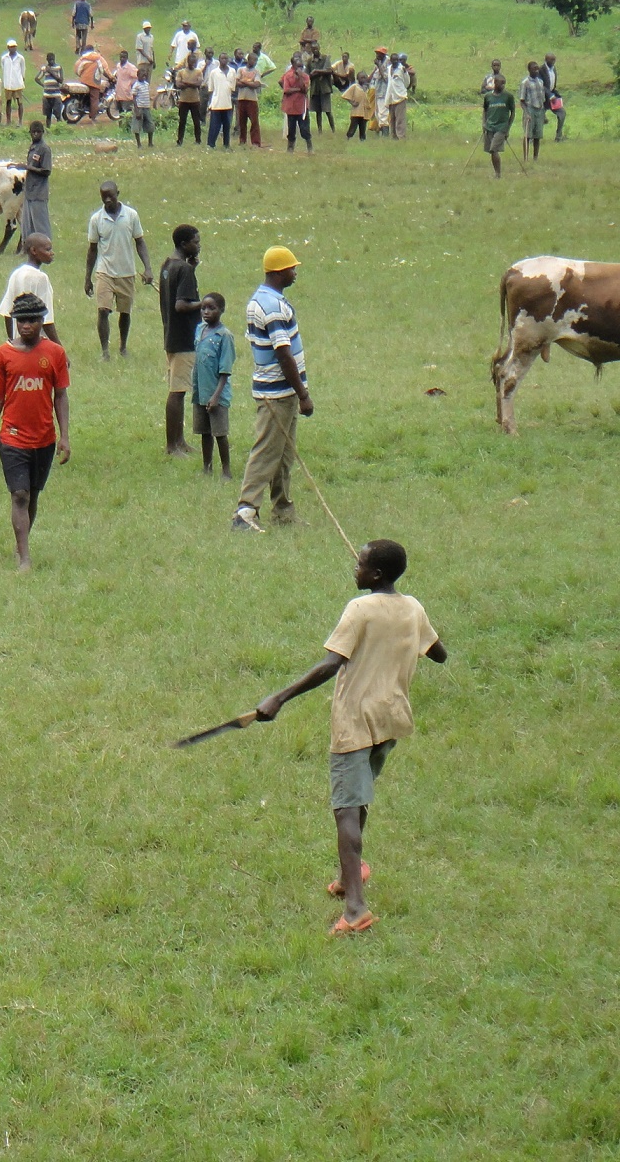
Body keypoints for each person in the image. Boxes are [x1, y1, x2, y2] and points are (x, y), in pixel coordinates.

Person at [254, 540, 446, 935]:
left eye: (359, 564)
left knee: (345, 808)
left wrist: (279, 698)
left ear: (375, 575)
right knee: (358, 798)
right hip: (391, 718)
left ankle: (356, 906)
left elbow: (330, 664)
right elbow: (438, 653)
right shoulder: (413, 607)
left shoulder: (360, 609)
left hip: (356, 721)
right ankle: (349, 875)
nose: (353, 568)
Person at [0, 293, 70, 572]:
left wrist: (64, 436)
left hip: (44, 439)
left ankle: (22, 543)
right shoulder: (2, 354)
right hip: (12, 439)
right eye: (21, 320)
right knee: (19, 495)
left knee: (33, 494)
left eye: (32, 320)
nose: (26, 325)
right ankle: (24, 558)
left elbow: (61, 396)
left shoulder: (55, 353)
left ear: (42, 321)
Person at [233, 246, 311, 533]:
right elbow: (283, 353)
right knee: (267, 452)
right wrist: (303, 394)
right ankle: (245, 512)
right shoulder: (273, 307)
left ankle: (283, 511)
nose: (295, 272)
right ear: (279, 272)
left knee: (284, 455)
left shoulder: (261, 299)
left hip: (281, 391)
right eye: (292, 268)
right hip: (278, 393)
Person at [83, 180, 153, 360]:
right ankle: (105, 351)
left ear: (118, 194)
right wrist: (87, 278)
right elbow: (92, 250)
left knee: (125, 312)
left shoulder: (131, 216)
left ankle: (123, 347)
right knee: (103, 310)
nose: (107, 200)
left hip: (126, 271)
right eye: (103, 197)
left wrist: (148, 268)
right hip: (104, 271)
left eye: (111, 196)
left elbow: (140, 242)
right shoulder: (97, 219)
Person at [158, 224, 201, 456]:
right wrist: (203, 303)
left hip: (171, 335)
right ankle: (172, 445)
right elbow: (181, 304)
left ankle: (180, 441)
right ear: (184, 244)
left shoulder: (168, 265)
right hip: (184, 338)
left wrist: (191, 269)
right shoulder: (183, 269)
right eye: (196, 242)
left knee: (179, 389)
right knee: (178, 391)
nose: (199, 245)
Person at [192, 291, 234, 477]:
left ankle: (226, 470)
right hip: (200, 390)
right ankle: (207, 467)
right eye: (203, 308)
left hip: (217, 392)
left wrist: (216, 396)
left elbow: (225, 370)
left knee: (220, 433)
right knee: (204, 432)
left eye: (211, 308)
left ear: (221, 310)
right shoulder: (200, 330)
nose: (206, 312)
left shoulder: (224, 336)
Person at [20, 121, 51, 250]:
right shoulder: (33, 147)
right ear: (30, 133)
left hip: (39, 192)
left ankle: (46, 248)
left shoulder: (44, 149)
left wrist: (28, 167)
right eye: (33, 132)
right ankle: (27, 249)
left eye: (38, 132)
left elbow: (46, 171)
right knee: (27, 224)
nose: (36, 134)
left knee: (41, 224)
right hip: (29, 192)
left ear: (43, 133)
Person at [480, 74, 516, 179]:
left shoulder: (508, 97)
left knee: (493, 149)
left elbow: (512, 112)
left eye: (504, 84)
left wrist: (507, 128)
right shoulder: (488, 97)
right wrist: (484, 123)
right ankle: (497, 172)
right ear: (495, 83)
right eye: (501, 84)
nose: (503, 86)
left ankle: (498, 174)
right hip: (490, 126)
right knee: (491, 151)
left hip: (502, 127)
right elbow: (485, 110)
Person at [282, 54, 312, 153]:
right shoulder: (288, 76)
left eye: (301, 66)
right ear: (293, 66)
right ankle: (290, 148)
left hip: (302, 107)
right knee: (291, 129)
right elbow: (286, 90)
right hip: (291, 107)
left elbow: (305, 90)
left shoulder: (306, 77)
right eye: (298, 66)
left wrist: (300, 78)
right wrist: (298, 89)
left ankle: (309, 146)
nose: (300, 68)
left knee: (304, 129)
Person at [174, 50, 204, 145]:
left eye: (194, 62)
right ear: (188, 61)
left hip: (195, 100)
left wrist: (186, 83)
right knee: (182, 121)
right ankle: (180, 140)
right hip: (184, 100)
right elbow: (178, 85)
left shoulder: (198, 72)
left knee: (196, 121)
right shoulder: (181, 72)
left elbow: (198, 84)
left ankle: (198, 140)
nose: (193, 64)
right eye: (191, 61)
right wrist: (192, 84)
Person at [205, 55, 235, 149]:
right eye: (222, 58)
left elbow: (232, 88)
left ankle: (226, 145)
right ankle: (211, 144)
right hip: (216, 103)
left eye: (226, 58)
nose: (224, 60)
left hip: (228, 104)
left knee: (227, 126)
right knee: (214, 126)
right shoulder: (214, 72)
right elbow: (210, 89)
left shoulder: (232, 71)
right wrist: (210, 103)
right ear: (219, 60)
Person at [233, 53, 262, 147]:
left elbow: (256, 85)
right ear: (248, 60)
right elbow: (236, 83)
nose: (254, 62)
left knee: (254, 121)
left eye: (256, 60)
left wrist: (244, 81)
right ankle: (242, 140)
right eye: (253, 60)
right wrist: (250, 83)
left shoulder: (257, 71)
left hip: (252, 99)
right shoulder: (241, 70)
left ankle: (255, 142)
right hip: (241, 98)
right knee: (241, 121)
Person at [519, 61, 546, 162]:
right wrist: (527, 113)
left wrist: (544, 115)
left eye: (537, 68)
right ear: (529, 69)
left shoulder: (540, 82)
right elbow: (522, 101)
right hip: (530, 109)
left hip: (540, 109)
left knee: (537, 136)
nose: (536, 70)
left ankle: (535, 158)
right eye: (534, 68)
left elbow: (542, 98)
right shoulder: (525, 82)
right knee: (527, 135)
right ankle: (525, 158)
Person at [72, 43, 107, 120]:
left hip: (84, 80)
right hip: (94, 82)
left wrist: (81, 75)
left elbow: (77, 69)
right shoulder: (98, 58)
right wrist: (109, 77)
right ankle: (93, 116)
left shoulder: (83, 58)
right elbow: (103, 69)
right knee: (95, 99)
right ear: (93, 50)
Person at [0, 40, 26, 124]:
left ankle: (20, 121)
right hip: (8, 84)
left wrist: (22, 79)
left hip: (18, 84)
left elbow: (23, 70)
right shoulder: (4, 58)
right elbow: (3, 69)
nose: (13, 48)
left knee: (19, 103)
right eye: (11, 47)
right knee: (8, 102)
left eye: (14, 46)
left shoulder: (20, 58)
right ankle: (8, 121)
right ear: (8, 48)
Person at [384, 55, 410, 141]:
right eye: (393, 60)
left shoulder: (402, 69)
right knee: (392, 119)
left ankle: (401, 137)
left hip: (400, 96)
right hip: (391, 97)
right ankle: (394, 137)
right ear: (390, 60)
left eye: (396, 60)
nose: (395, 62)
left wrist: (401, 89)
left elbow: (407, 82)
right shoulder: (388, 68)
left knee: (400, 119)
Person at [341, 69, 372, 141]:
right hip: (356, 112)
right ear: (357, 79)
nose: (363, 79)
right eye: (361, 77)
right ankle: (348, 137)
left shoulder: (367, 88)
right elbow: (345, 95)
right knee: (353, 126)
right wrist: (352, 102)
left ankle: (362, 139)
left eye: (364, 77)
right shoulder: (355, 86)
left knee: (363, 127)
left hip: (364, 112)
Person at [309, 51, 335, 134]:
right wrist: (316, 74)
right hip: (315, 88)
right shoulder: (310, 61)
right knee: (318, 111)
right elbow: (307, 74)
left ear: (319, 48)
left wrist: (317, 71)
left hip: (325, 88)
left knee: (327, 110)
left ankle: (333, 129)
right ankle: (319, 130)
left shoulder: (325, 58)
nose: (315, 50)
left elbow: (329, 71)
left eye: (316, 48)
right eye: (313, 49)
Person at [36, 52, 65, 125]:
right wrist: (43, 85)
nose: (51, 61)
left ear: (54, 59)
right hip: (47, 95)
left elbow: (61, 80)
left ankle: (59, 128)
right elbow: (37, 78)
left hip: (56, 95)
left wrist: (51, 72)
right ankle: (48, 130)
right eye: (50, 60)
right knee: (48, 115)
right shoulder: (44, 68)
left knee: (58, 114)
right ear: (47, 60)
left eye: (52, 60)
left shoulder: (58, 67)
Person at [130, 65, 154, 147]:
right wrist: (136, 110)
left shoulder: (146, 84)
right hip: (139, 108)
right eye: (142, 76)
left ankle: (150, 142)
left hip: (146, 107)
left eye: (145, 76)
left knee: (150, 125)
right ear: (138, 76)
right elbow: (133, 98)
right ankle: (138, 144)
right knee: (137, 126)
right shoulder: (136, 85)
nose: (144, 77)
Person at [543, 53, 563, 142]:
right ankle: (533, 138)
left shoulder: (553, 69)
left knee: (562, 114)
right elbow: (541, 85)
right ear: (546, 60)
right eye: (551, 60)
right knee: (538, 118)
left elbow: (552, 85)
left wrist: (556, 95)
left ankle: (558, 137)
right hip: (542, 98)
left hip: (552, 98)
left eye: (554, 60)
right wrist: (549, 94)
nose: (553, 62)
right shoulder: (540, 69)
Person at [111, 50, 137, 118]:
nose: (122, 59)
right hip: (119, 92)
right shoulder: (118, 66)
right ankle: (121, 126)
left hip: (127, 93)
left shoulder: (131, 67)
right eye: (121, 57)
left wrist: (131, 86)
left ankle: (128, 125)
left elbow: (138, 77)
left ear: (127, 58)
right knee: (120, 112)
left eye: (124, 57)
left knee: (128, 111)